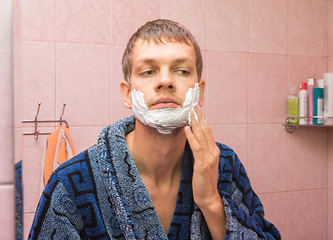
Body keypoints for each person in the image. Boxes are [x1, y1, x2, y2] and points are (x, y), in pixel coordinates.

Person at [29, 19, 281, 240]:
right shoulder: (69, 184)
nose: (165, 81)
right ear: (127, 94)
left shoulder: (224, 165)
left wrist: (212, 203)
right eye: (148, 71)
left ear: (200, 92)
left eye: (181, 71)